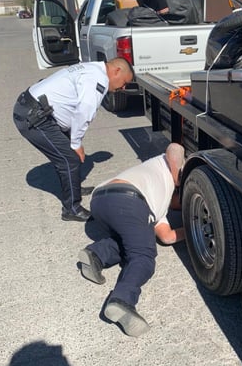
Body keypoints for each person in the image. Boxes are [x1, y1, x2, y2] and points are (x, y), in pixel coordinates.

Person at [78, 142, 186, 337]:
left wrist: (194, 230)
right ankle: (122, 301)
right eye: (182, 200)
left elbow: (167, 236)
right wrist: (179, 178)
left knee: (134, 240)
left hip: (100, 200)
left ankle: (96, 254)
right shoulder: (165, 166)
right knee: (143, 257)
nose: (179, 206)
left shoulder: (158, 199)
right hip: (129, 199)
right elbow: (175, 147)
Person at [13, 58, 134, 222]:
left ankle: (73, 188)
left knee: (68, 154)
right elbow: (84, 113)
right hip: (33, 117)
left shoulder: (93, 68)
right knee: (69, 159)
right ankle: (71, 209)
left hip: (36, 108)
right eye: (125, 82)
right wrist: (76, 144)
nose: (123, 88)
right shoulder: (99, 79)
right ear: (117, 71)